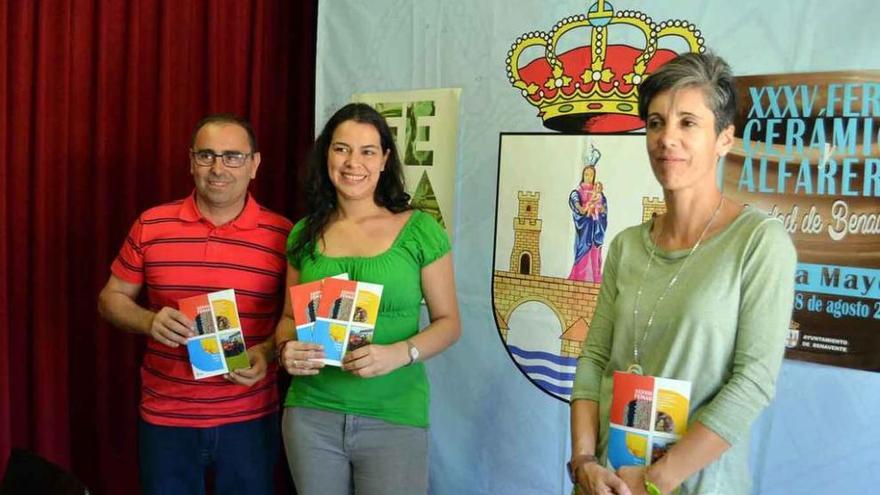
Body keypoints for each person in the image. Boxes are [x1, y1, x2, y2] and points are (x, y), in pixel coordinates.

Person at [568, 52, 797, 495]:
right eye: (655, 123)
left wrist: (654, 480)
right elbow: (594, 360)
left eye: (687, 123)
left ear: (724, 138)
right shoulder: (626, 246)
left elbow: (752, 383)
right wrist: (582, 462)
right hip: (606, 483)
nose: (666, 138)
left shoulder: (758, 243)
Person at [97, 114, 291, 495]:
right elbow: (111, 299)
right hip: (166, 420)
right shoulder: (151, 225)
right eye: (207, 156)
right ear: (191, 162)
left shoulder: (283, 234)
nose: (218, 168)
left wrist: (267, 353)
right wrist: (148, 321)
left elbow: (293, 318)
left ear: (254, 165)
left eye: (233, 157)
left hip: (249, 421)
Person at [275, 102, 461, 495]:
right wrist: (284, 348)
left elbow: (449, 324)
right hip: (311, 415)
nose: (352, 162)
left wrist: (399, 353)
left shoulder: (419, 229)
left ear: (385, 160)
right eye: (341, 148)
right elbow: (288, 318)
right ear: (326, 153)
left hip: (393, 416)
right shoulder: (304, 233)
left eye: (367, 151)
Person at [568, 146, 608, 283]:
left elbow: (604, 209)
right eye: (586, 174)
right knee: (582, 253)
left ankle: (594, 280)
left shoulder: (598, 193)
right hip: (584, 230)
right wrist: (584, 208)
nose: (588, 177)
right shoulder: (577, 192)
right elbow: (576, 205)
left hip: (595, 228)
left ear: (594, 176)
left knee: (595, 254)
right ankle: (579, 278)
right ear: (583, 175)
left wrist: (601, 210)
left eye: (591, 175)